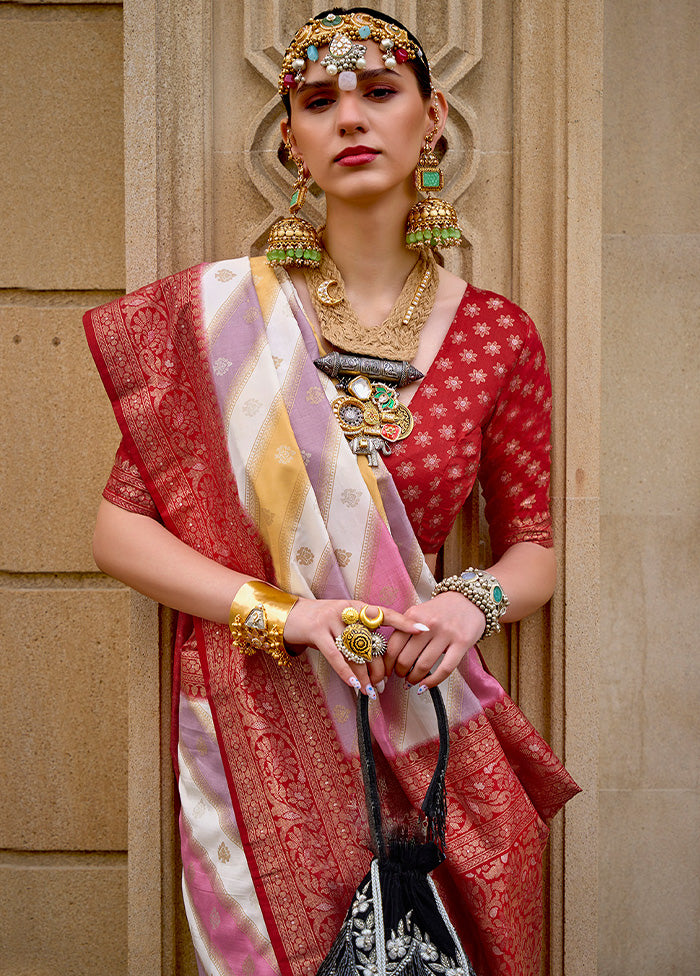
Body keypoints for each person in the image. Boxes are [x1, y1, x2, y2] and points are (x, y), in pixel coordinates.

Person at [84, 8, 579, 975]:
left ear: (433, 120)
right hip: (269, 726)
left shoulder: (497, 337)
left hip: (429, 714)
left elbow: (535, 548)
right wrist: (287, 616)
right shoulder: (225, 323)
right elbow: (119, 535)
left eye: (380, 93)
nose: (351, 118)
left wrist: (466, 606)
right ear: (292, 142)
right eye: (320, 102)